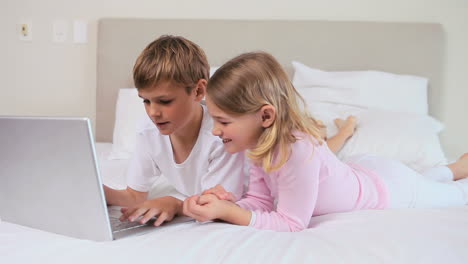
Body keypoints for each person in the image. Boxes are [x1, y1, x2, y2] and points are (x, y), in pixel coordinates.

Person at [182, 51, 468, 232]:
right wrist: (227, 206)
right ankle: (453, 169)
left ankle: (454, 173)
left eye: (224, 121)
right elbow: (261, 201)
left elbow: (292, 223)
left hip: (389, 190)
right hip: (369, 173)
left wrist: (232, 213)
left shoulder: (295, 150)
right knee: (424, 182)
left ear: (265, 116)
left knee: (456, 196)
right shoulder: (259, 144)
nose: (215, 131)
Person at [104, 35, 245, 226]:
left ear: (198, 91)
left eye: (165, 101)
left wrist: (174, 204)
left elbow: (219, 207)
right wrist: (102, 192)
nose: (153, 112)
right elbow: (135, 196)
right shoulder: (148, 132)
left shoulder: (222, 135)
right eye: (146, 100)